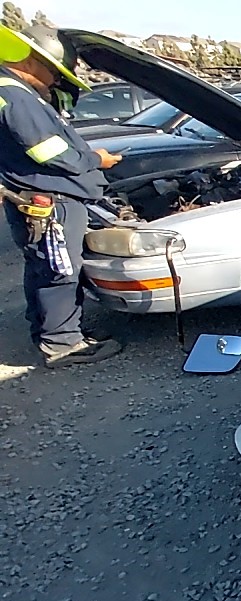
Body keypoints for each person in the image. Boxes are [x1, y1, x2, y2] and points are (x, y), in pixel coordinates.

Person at [0, 25, 123, 368]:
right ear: (34, 60)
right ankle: (64, 343)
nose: (56, 80)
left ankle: (44, 331)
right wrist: (96, 159)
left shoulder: (10, 91)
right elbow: (50, 151)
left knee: (41, 266)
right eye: (55, 71)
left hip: (35, 199)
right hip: (51, 202)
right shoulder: (18, 96)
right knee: (60, 271)